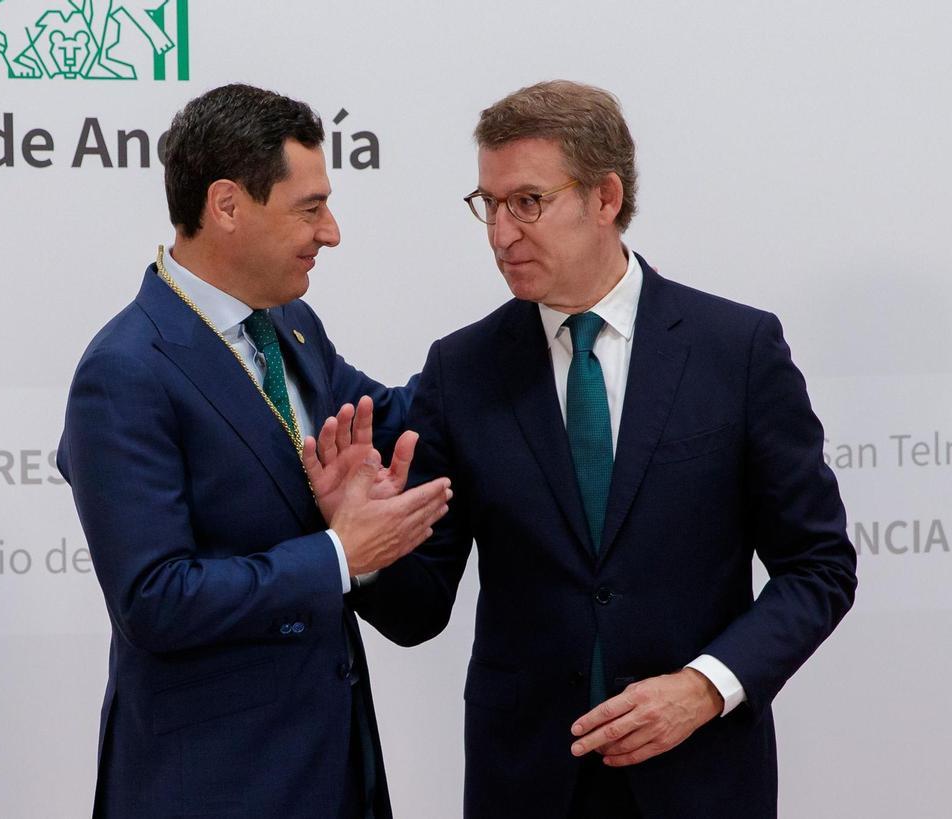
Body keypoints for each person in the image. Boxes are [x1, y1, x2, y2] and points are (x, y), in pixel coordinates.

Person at [351, 80, 857, 818]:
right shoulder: (462, 369)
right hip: (526, 783)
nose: (500, 233)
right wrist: (364, 545)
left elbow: (819, 567)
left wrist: (705, 685)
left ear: (605, 196)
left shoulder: (736, 351)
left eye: (527, 201)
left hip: (699, 775)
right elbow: (417, 609)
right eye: (487, 204)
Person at [57, 83, 451, 819]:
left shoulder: (292, 326)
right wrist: (341, 554)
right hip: (212, 786)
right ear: (227, 205)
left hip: (333, 770)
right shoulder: (124, 370)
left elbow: (399, 415)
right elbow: (154, 598)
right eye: (310, 208)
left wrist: (534, 333)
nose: (330, 232)